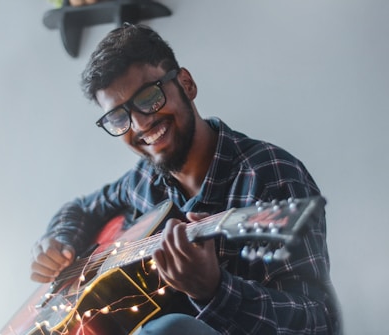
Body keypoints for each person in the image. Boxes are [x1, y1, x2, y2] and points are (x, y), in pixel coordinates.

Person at [30, 23, 341, 335]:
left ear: (186, 84)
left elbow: (318, 322)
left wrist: (216, 291)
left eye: (149, 97)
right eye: (118, 117)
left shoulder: (270, 175)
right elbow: (82, 207)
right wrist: (60, 241)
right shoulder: (144, 181)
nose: (139, 124)